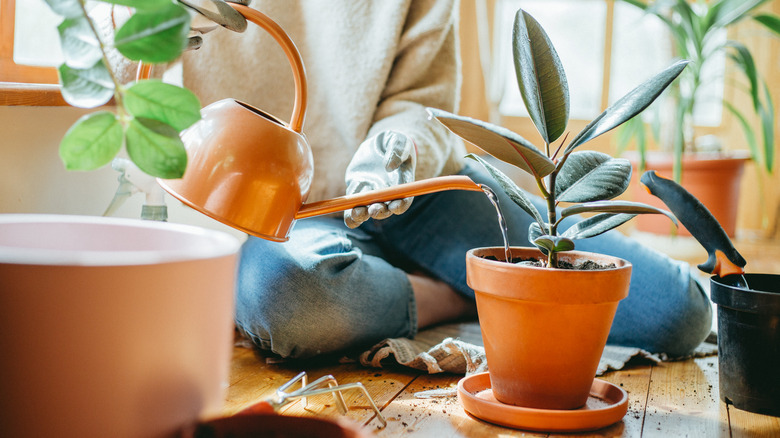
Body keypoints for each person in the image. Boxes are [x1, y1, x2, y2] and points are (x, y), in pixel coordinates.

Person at [180, 0, 712, 360]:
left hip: (418, 191)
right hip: (292, 214)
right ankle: (454, 295)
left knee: (677, 312)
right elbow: (119, 64)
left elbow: (422, 104)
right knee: (282, 296)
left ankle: (425, 280)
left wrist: (397, 152)